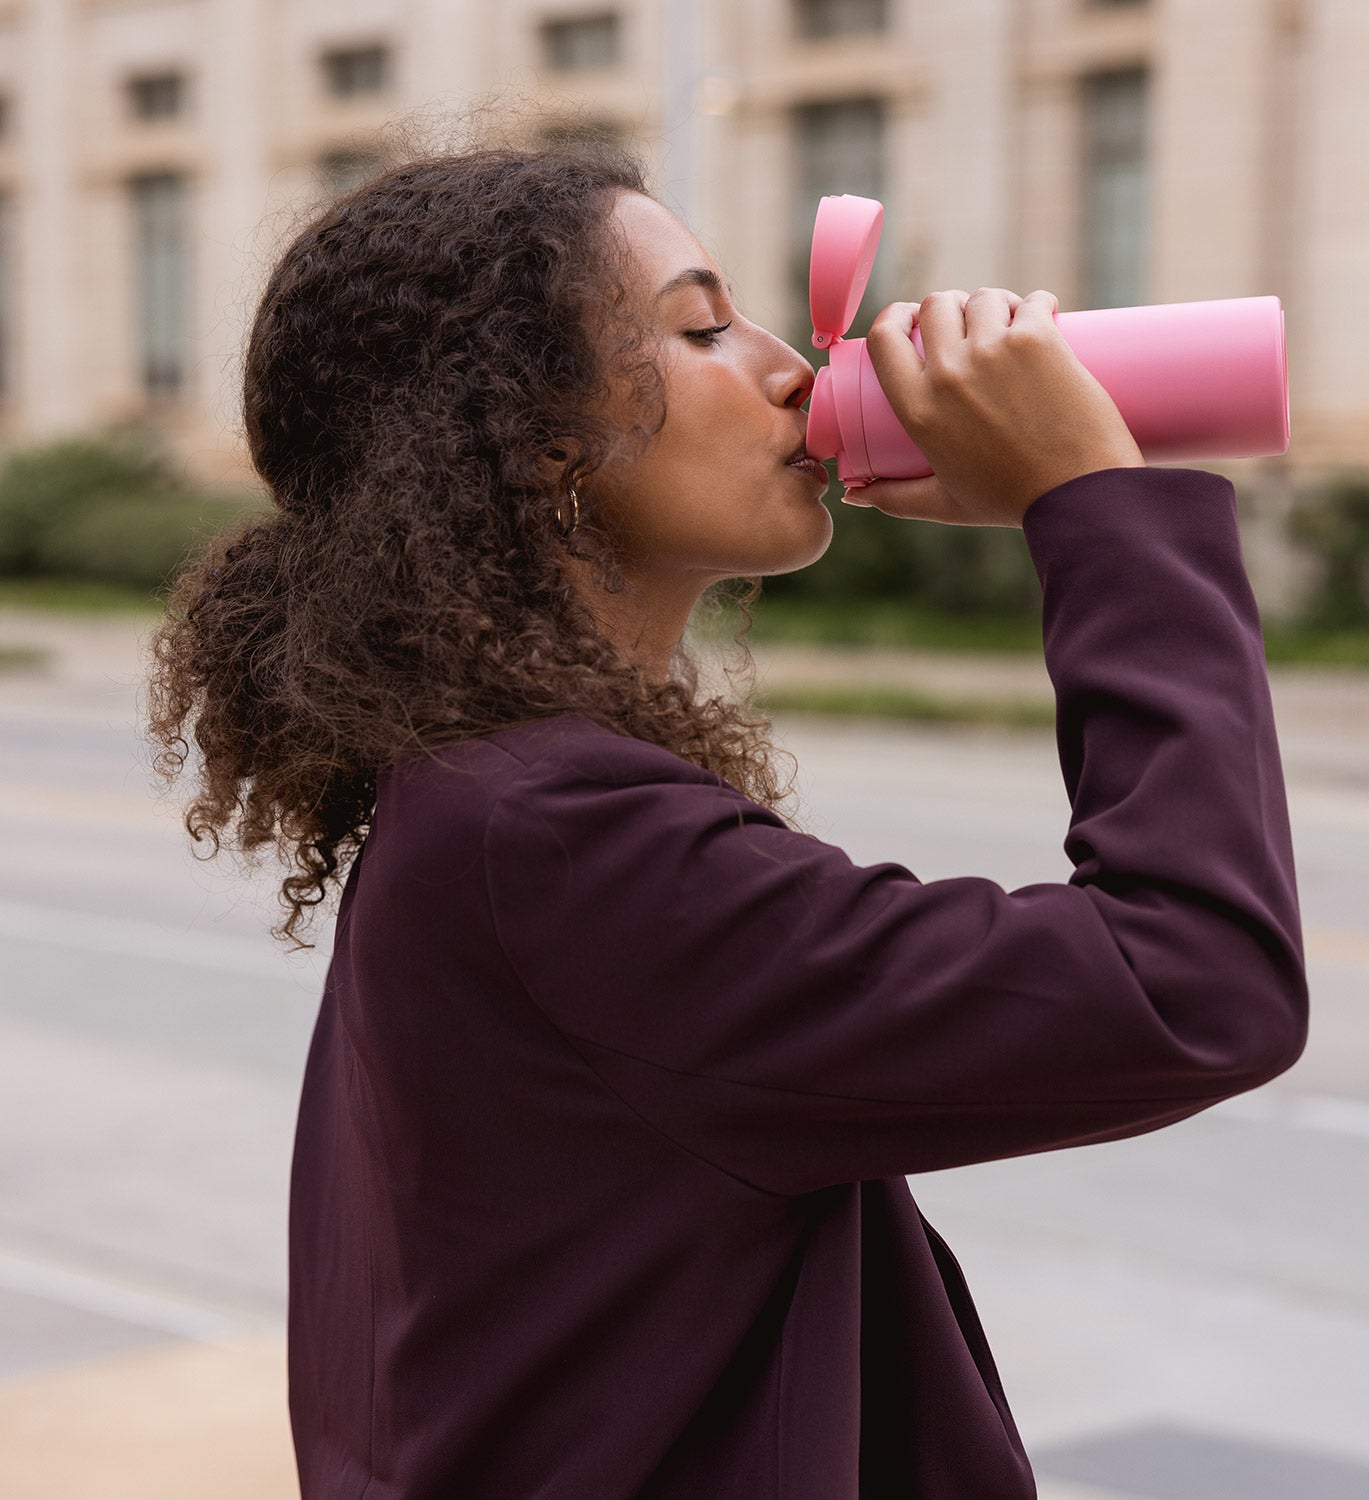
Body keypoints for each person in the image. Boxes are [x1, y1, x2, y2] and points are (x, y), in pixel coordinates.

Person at [146, 139, 1308, 1500]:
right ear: (532, 445)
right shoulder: (559, 837)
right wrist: (1097, 509)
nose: (791, 369)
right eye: (700, 326)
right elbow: (1193, 979)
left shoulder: (486, 799)